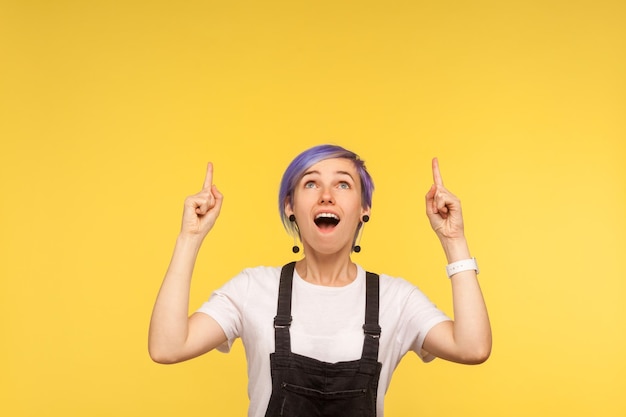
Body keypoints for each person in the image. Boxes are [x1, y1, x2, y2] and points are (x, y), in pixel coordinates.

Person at [148, 144, 491, 417]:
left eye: (343, 183)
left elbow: (473, 347)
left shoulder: (396, 299)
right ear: (290, 206)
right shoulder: (253, 288)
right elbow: (167, 347)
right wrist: (189, 239)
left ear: (363, 208)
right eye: (311, 183)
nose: (326, 195)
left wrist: (453, 240)